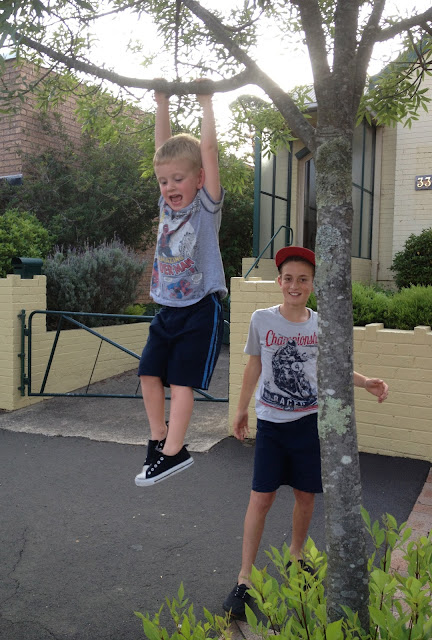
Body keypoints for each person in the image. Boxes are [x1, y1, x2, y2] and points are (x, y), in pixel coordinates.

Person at [222, 246, 389, 617]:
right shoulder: (262, 320)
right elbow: (253, 366)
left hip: (309, 425)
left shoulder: (321, 324)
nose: (294, 285)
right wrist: (241, 409)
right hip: (271, 426)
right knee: (260, 499)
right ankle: (244, 578)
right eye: (288, 278)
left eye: (303, 279)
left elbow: (333, 367)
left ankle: (296, 556)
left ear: (312, 284)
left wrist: (366, 382)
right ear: (279, 281)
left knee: (306, 496)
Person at [135, 84, 227, 487]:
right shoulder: (165, 206)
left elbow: (208, 150)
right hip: (167, 310)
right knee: (148, 374)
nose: (170, 187)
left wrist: (207, 104)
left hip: (200, 309)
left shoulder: (205, 206)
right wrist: (162, 103)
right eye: (163, 181)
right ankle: (160, 439)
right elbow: (163, 147)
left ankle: (174, 452)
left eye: (178, 179)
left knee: (182, 383)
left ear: (199, 179)